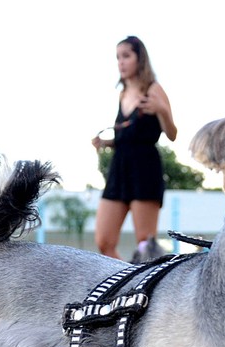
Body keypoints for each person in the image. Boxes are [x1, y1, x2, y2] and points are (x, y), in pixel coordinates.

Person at [91, 35, 177, 262]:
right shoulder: (122, 95)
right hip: (119, 169)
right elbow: (126, 137)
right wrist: (106, 143)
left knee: (144, 244)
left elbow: (172, 134)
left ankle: (145, 292)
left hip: (145, 169)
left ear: (140, 59)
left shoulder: (154, 89)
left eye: (126, 56)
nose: (121, 62)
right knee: (104, 241)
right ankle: (124, 285)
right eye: (118, 57)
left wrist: (163, 111)